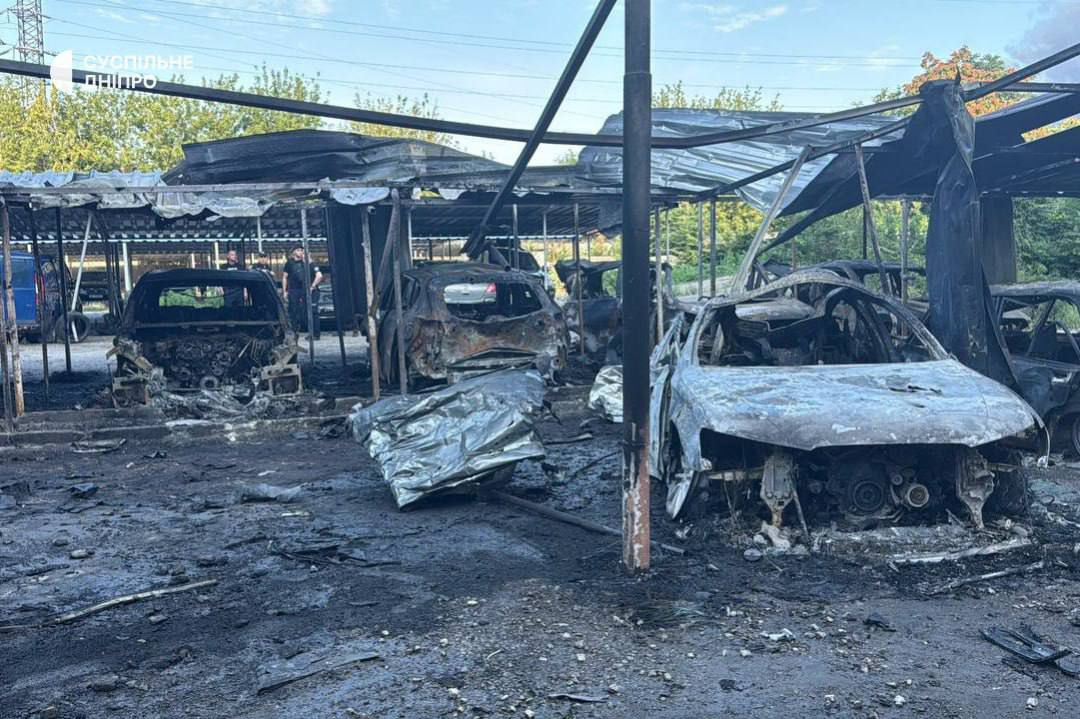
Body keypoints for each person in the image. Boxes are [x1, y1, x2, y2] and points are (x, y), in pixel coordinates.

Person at [282, 246, 323, 339]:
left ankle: (315, 334)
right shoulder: (294, 264)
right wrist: (285, 291)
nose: (301, 253)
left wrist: (312, 287)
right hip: (299, 291)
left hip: (310, 292)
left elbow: (319, 276)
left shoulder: (310, 264)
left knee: (312, 312)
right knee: (300, 312)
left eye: (303, 252)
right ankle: (306, 333)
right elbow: (285, 277)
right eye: (299, 251)